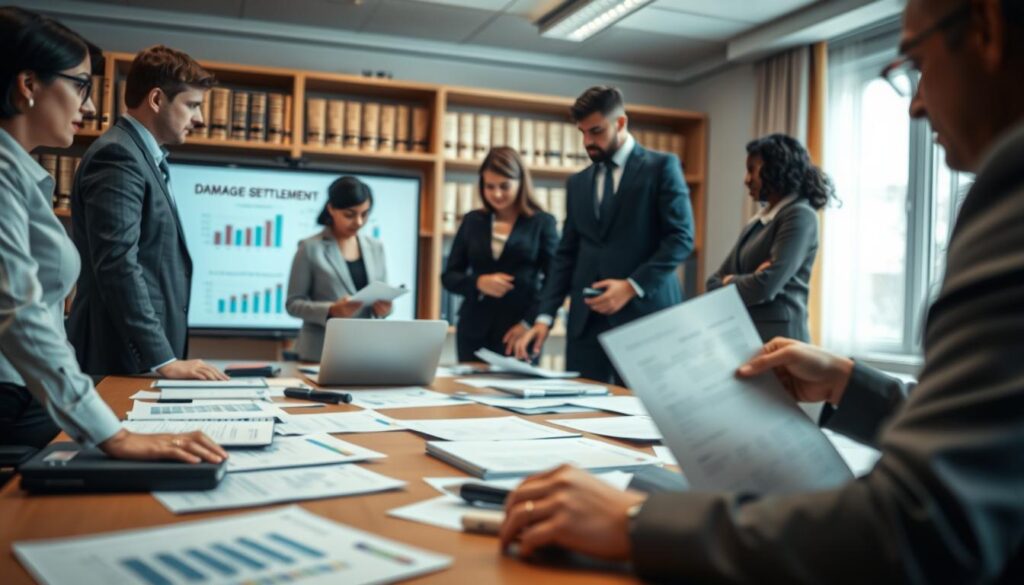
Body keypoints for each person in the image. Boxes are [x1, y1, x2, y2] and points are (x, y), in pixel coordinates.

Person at [499, 0, 1024, 581]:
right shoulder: (586, 187)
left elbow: (922, 525)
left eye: (916, 62)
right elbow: (990, 443)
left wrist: (637, 522)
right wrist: (851, 383)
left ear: (987, 31)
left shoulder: (1009, 198)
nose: (917, 103)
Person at [0, 6, 226, 463]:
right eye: (81, 85)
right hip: (23, 394)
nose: (90, 105)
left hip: (41, 387)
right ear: (28, 86)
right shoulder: (117, 156)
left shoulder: (25, 173)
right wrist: (114, 430)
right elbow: (26, 309)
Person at [514, 86, 694, 382]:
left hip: (645, 318)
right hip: (586, 326)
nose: (587, 141)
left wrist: (631, 286)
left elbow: (681, 239)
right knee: (581, 419)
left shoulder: (662, 168)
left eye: (595, 131)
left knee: (642, 422)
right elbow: (566, 256)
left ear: (620, 123)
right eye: (582, 132)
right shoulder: (578, 183)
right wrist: (545, 317)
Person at [67, 45, 226, 380]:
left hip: (136, 357)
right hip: (119, 357)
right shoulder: (118, 155)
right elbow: (118, 263)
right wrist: (162, 359)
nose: (199, 118)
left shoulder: (142, 156)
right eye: (192, 105)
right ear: (156, 100)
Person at [706, 134, 834, 342]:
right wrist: (747, 279)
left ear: (776, 169)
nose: (746, 180)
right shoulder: (759, 220)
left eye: (751, 170)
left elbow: (764, 287)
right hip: (747, 337)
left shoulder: (800, 215)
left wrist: (731, 279)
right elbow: (712, 282)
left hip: (782, 341)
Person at [442, 147, 559, 361]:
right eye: (490, 187)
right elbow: (449, 277)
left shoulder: (542, 223)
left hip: (520, 332)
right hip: (473, 331)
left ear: (521, 183)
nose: (496, 194)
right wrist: (478, 283)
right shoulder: (472, 221)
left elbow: (555, 281)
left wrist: (528, 323)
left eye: (504, 186)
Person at [286, 176, 391, 362]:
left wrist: (385, 309)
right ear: (331, 209)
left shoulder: (376, 247)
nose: (358, 222)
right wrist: (331, 310)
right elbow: (293, 304)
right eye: (350, 214)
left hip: (366, 353)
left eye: (365, 214)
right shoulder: (309, 248)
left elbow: (382, 297)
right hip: (319, 353)